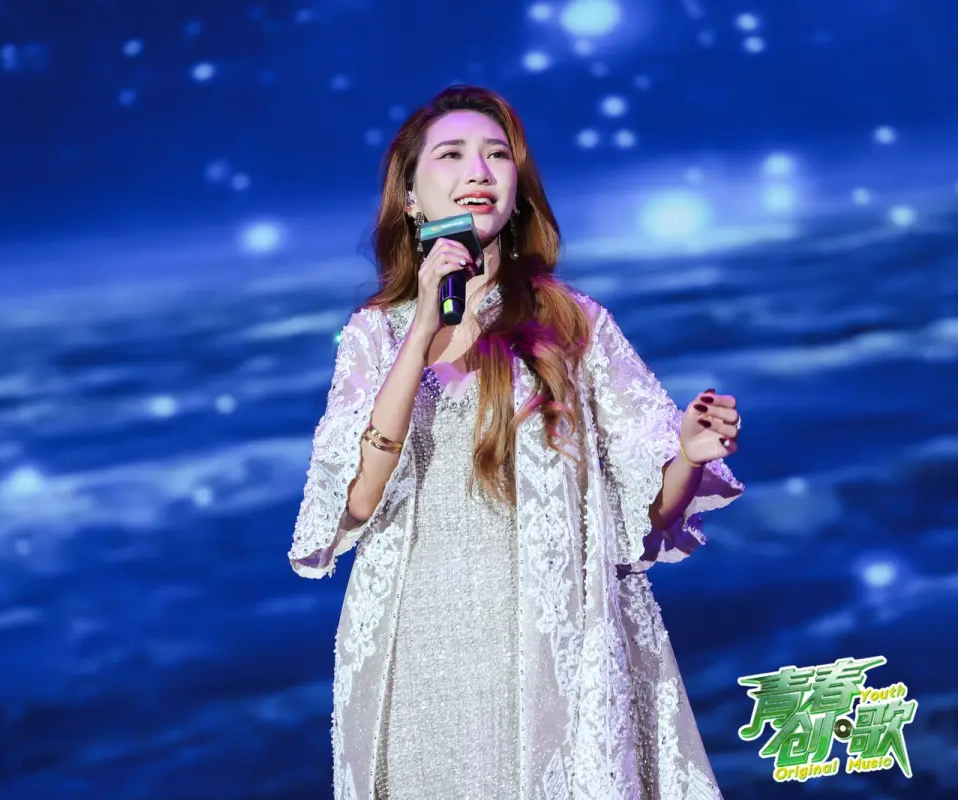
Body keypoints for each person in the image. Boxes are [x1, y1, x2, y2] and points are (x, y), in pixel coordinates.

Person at [287, 85, 745, 800]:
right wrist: (423, 331)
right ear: (410, 196)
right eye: (452, 155)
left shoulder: (573, 325)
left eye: (496, 155)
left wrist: (687, 455)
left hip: (554, 649)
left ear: (518, 186)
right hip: (422, 654)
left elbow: (648, 515)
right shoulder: (375, 335)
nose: (478, 171)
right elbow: (356, 500)